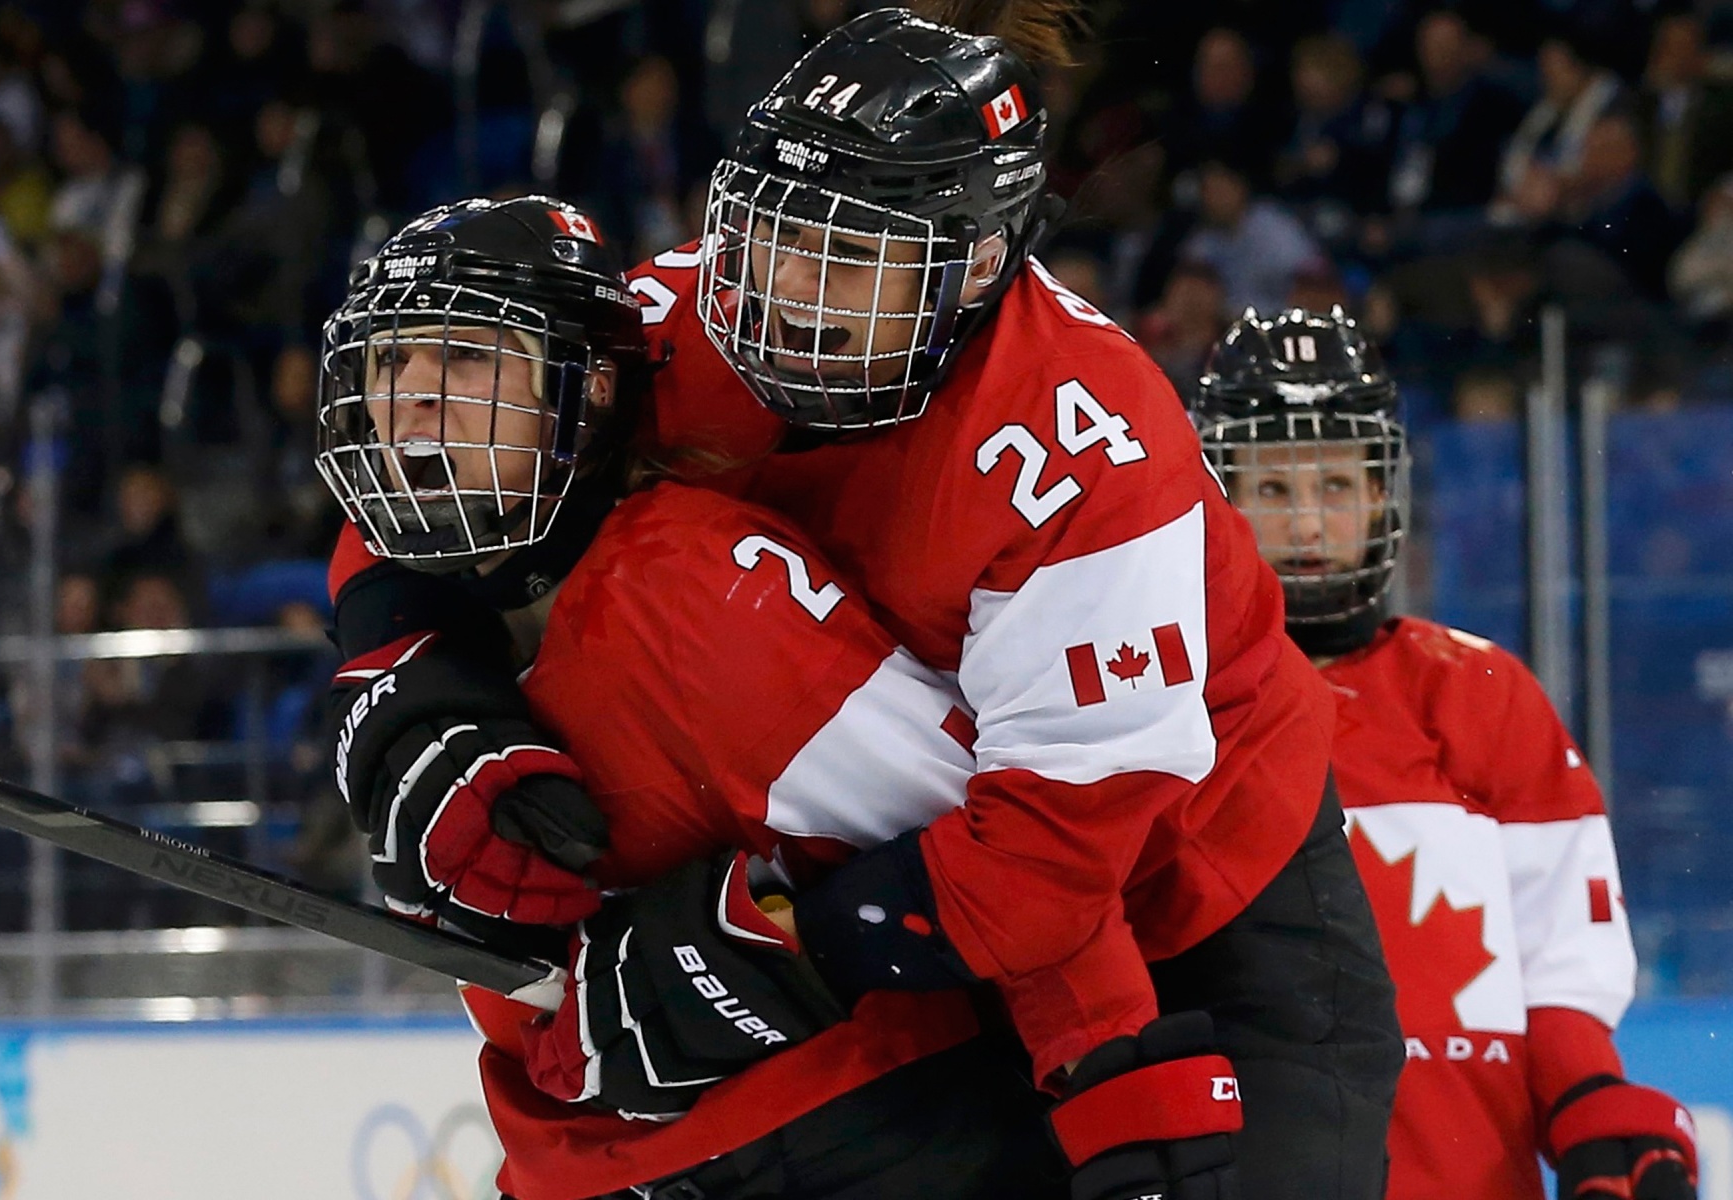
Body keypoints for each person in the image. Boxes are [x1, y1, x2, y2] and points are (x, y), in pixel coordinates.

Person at [331, 9, 1401, 1199]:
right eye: (772, 233)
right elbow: (458, 442)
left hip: (1207, 886)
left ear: (977, 267)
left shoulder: (1086, 452)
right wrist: (411, 683)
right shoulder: (692, 319)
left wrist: (762, 947)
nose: (780, 290)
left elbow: (1048, 859)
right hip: (963, 888)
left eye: (844, 255)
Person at [320, 196, 1069, 1199]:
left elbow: (1013, 865)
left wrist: (778, 948)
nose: (411, 395)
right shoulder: (416, 673)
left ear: (581, 393)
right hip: (593, 1166)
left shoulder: (698, 592)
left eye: (465, 359)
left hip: (862, 1140)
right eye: (388, 362)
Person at [1189, 308, 1697, 1200]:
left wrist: (1590, 1108)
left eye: (1338, 485)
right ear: (1217, 497)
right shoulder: (1165, 701)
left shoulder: (1481, 691)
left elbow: (1560, 958)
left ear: (1385, 493)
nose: (1307, 521)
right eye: (1271, 490)